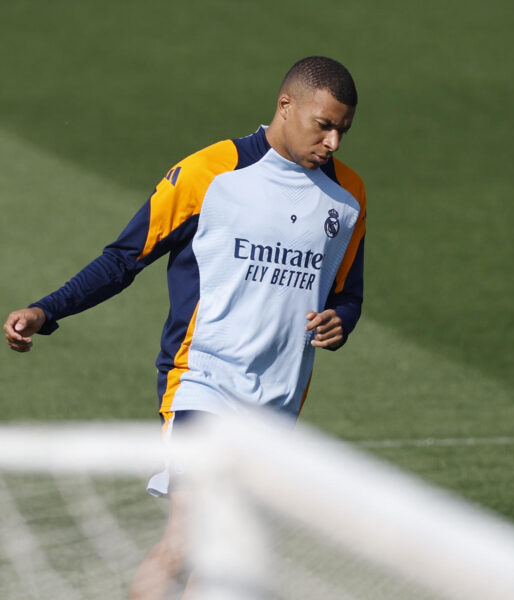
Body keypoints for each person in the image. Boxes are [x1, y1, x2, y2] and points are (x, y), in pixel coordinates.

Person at [3, 56, 366, 598]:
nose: (333, 142)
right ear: (286, 106)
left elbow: (347, 293)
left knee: (220, 561)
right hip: (203, 383)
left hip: (278, 403)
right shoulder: (212, 171)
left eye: (344, 130)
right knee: (189, 539)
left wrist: (343, 320)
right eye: (325, 125)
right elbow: (124, 258)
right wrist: (46, 309)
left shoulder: (349, 196)